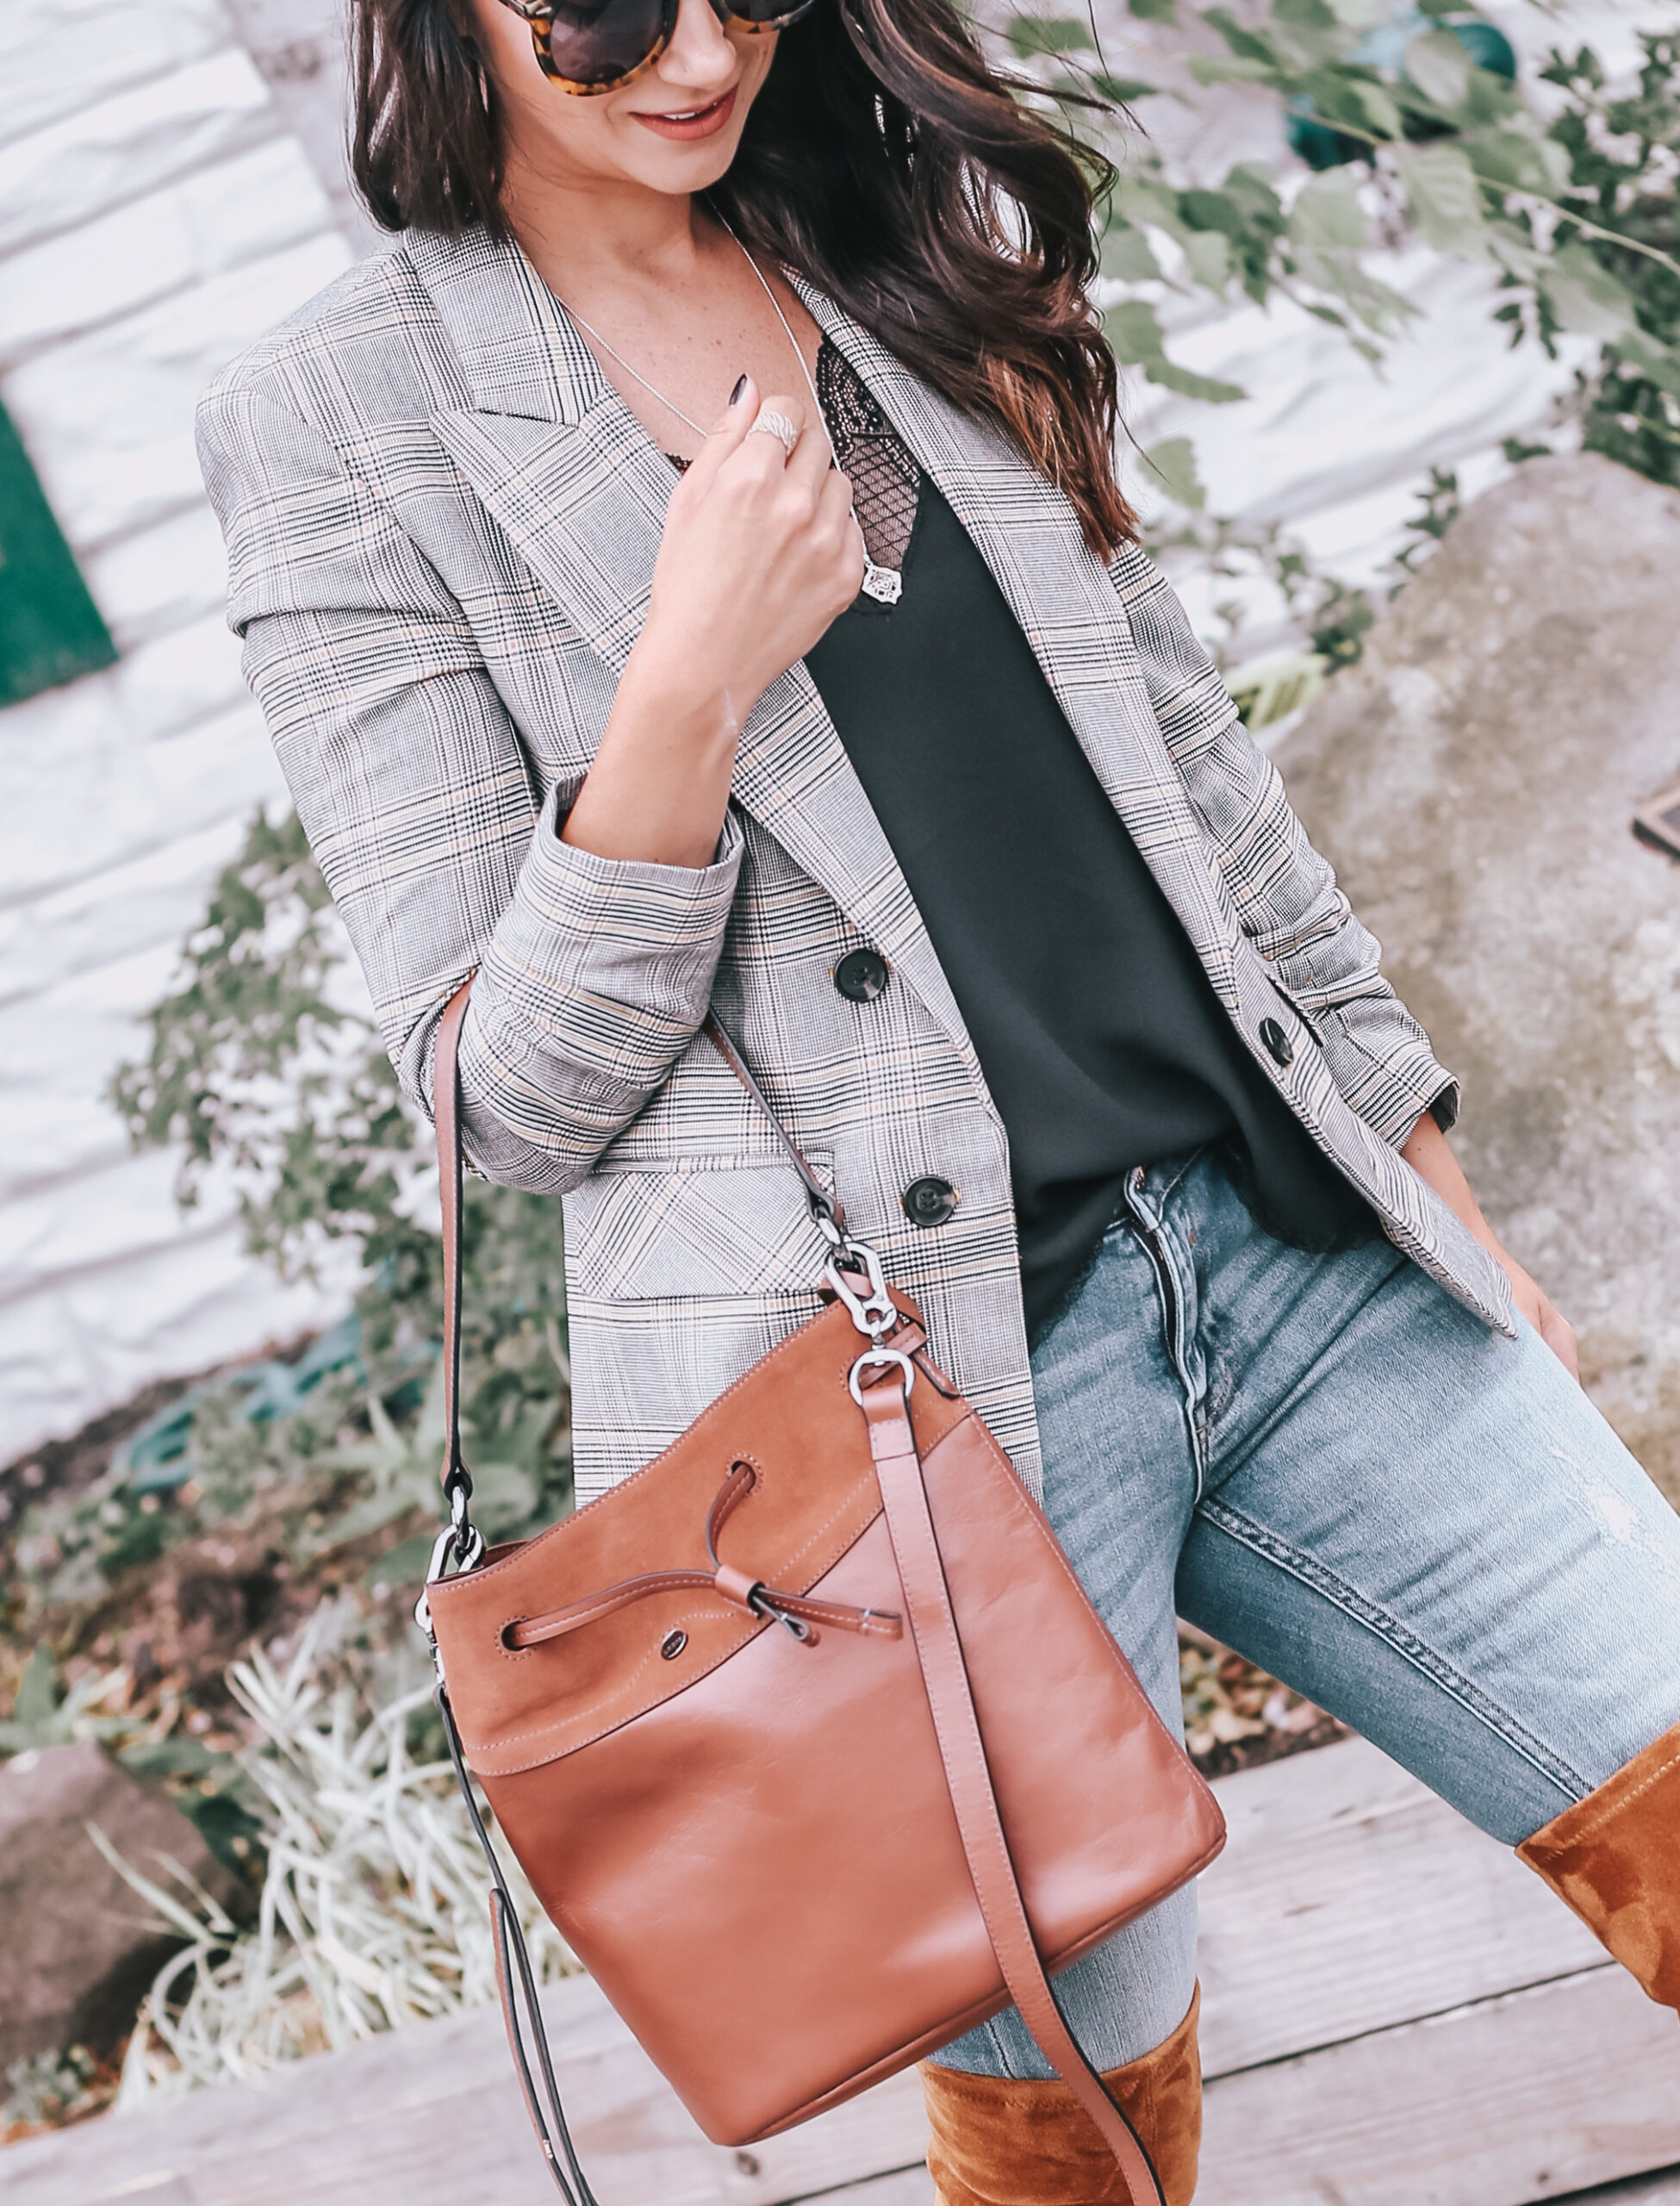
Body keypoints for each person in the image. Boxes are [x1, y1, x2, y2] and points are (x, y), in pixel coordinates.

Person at [196, 0, 1680, 2194]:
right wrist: (686, 680)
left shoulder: (886, 226)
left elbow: (1195, 762)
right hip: (900, 1444)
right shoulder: (338, 414)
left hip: (1289, 1262)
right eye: (605, 11)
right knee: (1080, 2145)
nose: (696, 53)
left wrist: (1431, 1174)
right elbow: (502, 1097)